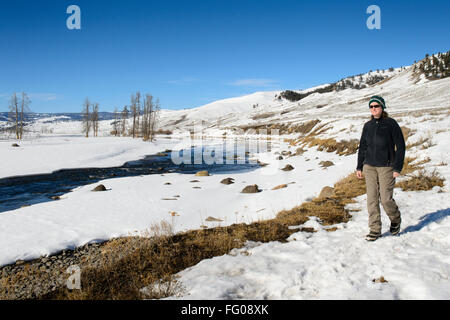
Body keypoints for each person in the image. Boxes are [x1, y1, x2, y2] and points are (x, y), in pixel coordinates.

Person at [356, 95, 405, 241]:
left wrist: (397, 167)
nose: (374, 109)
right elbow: (363, 147)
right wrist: (359, 166)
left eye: (376, 106)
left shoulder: (390, 123)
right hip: (369, 166)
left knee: (385, 199)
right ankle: (375, 229)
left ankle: (395, 218)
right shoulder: (367, 126)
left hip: (387, 166)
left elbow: (401, 146)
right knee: (371, 199)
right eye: (371, 107)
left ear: (382, 107)